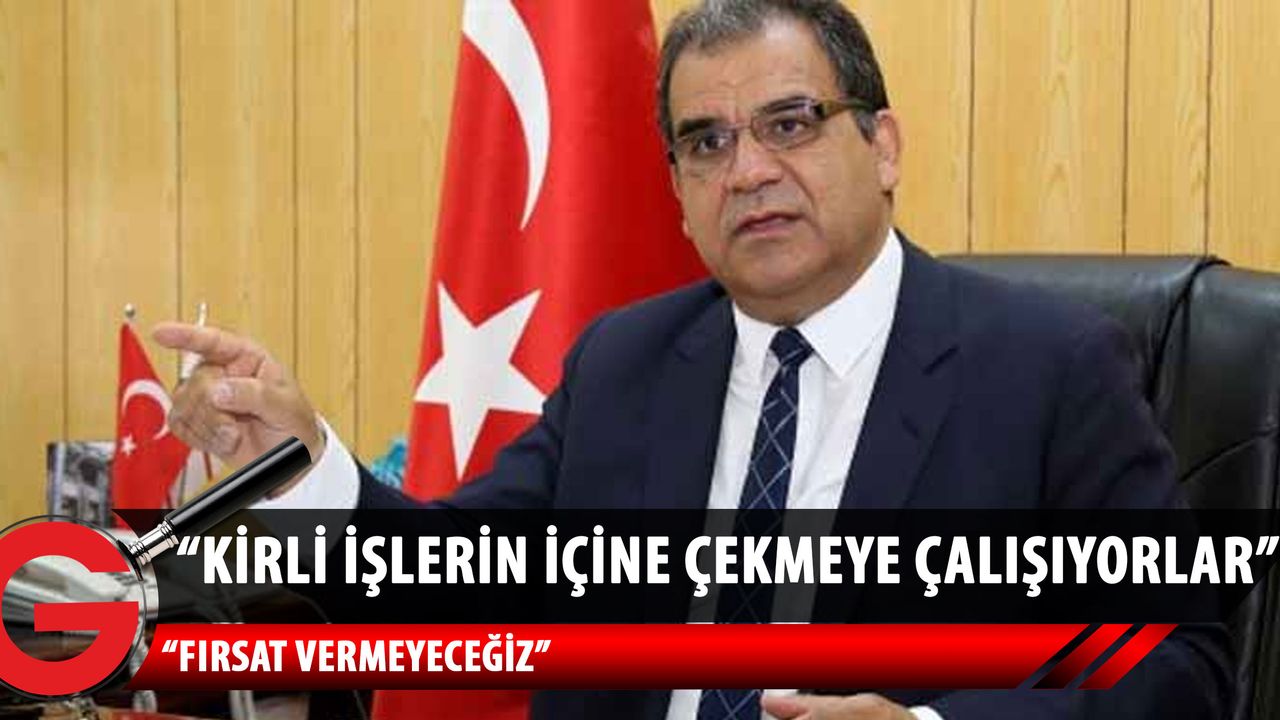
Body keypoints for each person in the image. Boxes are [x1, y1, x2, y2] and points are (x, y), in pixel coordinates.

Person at [154, 1, 1231, 718]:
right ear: (675, 190)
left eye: (790, 123)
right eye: (706, 143)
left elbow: (1178, 667)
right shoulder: (625, 364)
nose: (747, 170)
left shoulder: (1046, 368)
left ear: (882, 146)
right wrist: (304, 468)